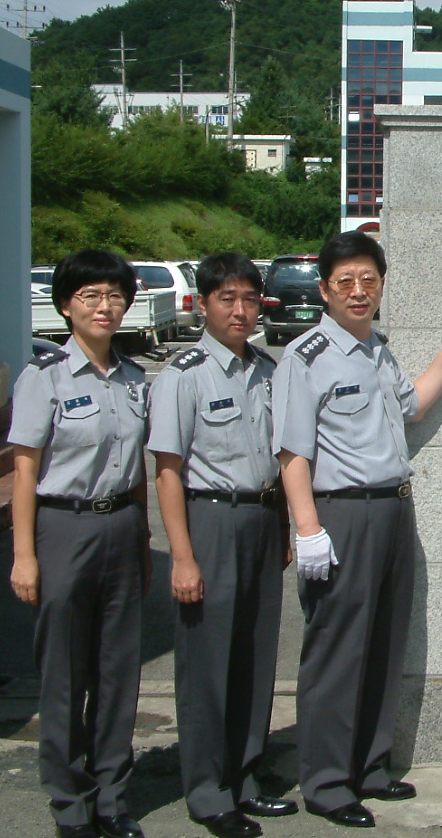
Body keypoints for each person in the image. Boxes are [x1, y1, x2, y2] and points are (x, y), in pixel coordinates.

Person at [272, 230, 442, 829]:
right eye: (346, 283)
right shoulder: (305, 358)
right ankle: (328, 782)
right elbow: (292, 453)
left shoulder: (378, 352)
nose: (359, 292)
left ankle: (370, 766)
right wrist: (306, 528)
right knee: (337, 650)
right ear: (325, 290)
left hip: (393, 509)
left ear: (381, 285)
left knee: (385, 641)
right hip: (341, 515)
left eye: (369, 281)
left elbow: (412, 405)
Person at [148, 253, 295, 838]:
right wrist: (182, 556)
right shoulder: (182, 374)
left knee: (256, 657)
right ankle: (208, 789)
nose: (240, 310)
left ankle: (247, 775)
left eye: (249, 299)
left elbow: (281, 457)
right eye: (226, 299)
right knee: (208, 662)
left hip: (262, 521)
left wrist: (283, 527)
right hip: (209, 521)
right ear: (204, 304)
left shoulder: (267, 368)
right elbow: (166, 471)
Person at [8, 250, 152, 838]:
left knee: (119, 671)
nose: (104, 306)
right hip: (62, 526)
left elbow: (139, 470)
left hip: (121, 525)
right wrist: (24, 555)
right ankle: (70, 802)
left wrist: (143, 542)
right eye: (91, 295)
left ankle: (112, 797)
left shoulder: (137, 378)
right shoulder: (42, 378)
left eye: (115, 295)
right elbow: (23, 471)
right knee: (65, 672)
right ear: (66, 305)